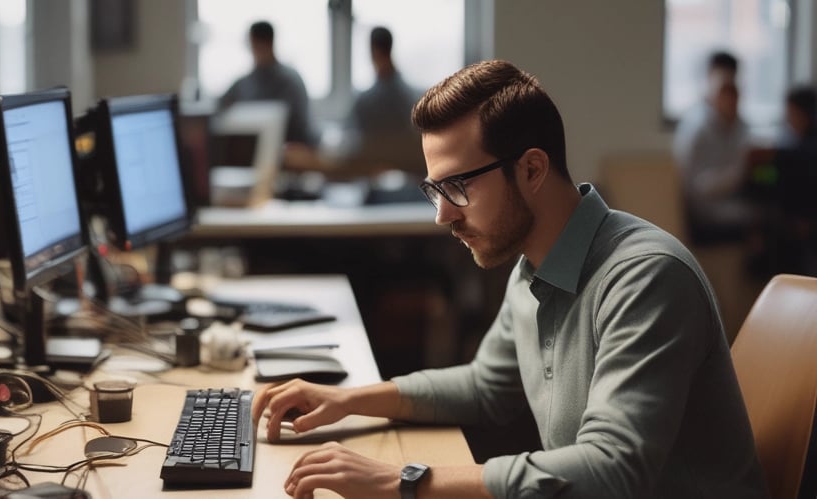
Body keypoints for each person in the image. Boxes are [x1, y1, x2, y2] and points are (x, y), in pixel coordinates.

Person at [253, 60, 767, 498]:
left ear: (532, 170)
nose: (442, 216)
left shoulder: (646, 277)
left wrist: (403, 480)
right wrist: (348, 400)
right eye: (435, 190)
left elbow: (612, 469)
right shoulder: (533, 265)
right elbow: (486, 387)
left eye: (457, 186)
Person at [672, 51, 756, 245]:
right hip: (704, 212)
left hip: (734, 202)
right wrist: (734, 178)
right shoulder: (696, 126)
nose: (731, 98)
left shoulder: (741, 126)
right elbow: (693, 187)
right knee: (761, 222)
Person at [338, 26, 424, 178]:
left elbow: (348, 144)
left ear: (373, 51)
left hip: (371, 175)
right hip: (411, 177)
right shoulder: (413, 99)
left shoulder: (365, 102)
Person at [218, 20, 319, 148]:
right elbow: (219, 108)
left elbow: (300, 128)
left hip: (289, 149)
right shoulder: (242, 84)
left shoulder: (290, 81)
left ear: (269, 43)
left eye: (259, 45)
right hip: (252, 150)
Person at [769, 85, 817, 274]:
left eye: (790, 113)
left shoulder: (802, 152)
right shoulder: (793, 143)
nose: (787, 118)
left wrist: (805, 219)